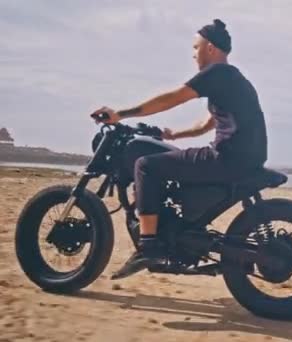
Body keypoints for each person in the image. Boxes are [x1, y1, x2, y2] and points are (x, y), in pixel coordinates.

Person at [91, 19, 268, 280]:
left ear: (210, 47)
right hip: (243, 157)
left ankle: (148, 245)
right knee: (169, 164)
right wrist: (173, 134)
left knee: (146, 165)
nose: (194, 54)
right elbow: (206, 125)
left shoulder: (217, 73)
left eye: (196, 47)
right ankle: (175, 234)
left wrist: (121, 114)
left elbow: (171, 98)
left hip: (226, 157)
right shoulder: (232, 80)